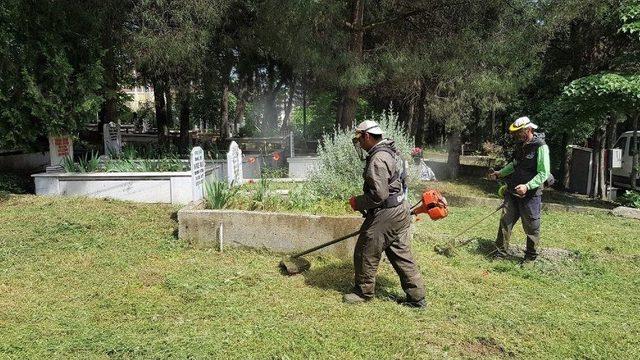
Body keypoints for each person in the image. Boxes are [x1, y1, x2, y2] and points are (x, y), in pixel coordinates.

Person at [343, 120, 426, 308]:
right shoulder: (389, 152)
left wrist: (358, 202)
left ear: (367, 136)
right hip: (400, 209)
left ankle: (363, 292)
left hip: (387, 213)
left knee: (365, 249)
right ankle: (417, 297)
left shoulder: (378, 158)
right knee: (401, 253)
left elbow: (379, 194)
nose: (360, 145)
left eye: (360, 139)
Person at [489, 116, 551, 262]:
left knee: (531, 226)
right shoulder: (520, 145)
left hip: (530, 195)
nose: (516, 135)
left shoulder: (540, 146)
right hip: (512, 192)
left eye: (519, 132)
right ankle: (500, 252)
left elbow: (544, 173)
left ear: (528, 130)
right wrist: (500, 173)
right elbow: (515, 164)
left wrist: (527, 186)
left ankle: (530, 257)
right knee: (505, 221)